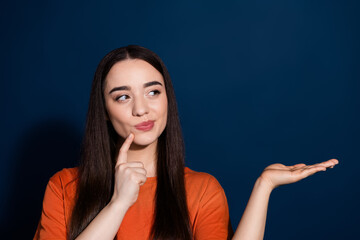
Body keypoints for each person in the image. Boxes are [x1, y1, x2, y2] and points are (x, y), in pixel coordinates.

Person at [33, 45, 338, 240]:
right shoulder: (64, 187)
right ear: (104, 110)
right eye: (123, 97)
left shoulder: (201, 190)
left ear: (168, 100)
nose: (142, 109)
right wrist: (119, 203)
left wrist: (264, 186)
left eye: (153, 92)